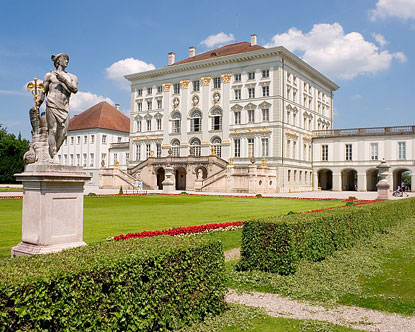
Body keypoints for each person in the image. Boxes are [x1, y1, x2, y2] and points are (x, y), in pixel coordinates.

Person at [37, 53, 78, 161]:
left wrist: (64, 80)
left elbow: (74, 89)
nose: (67, 61)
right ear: (58, 61)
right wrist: (37, 104)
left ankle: (54, 151)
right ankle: (53, 154)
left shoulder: (72, 77)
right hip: (51, 103)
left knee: (63, 133)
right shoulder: (49, 76)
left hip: (64, 106)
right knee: (53, 130)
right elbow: (43, 91)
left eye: (68, 59)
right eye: (65, 59)